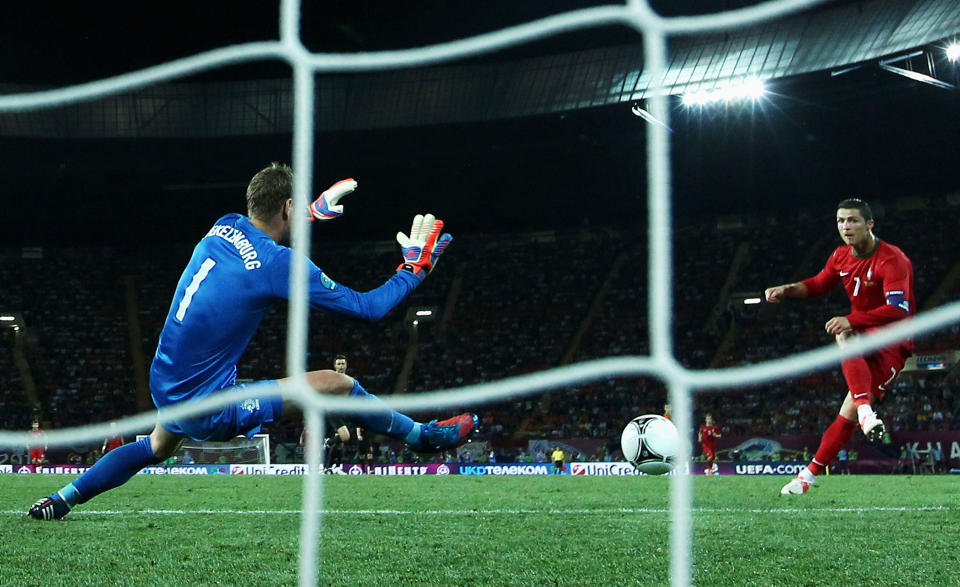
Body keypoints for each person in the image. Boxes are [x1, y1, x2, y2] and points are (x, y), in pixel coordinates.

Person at [29, 163, 478, 520]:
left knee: (157, 446)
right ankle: (421, 437)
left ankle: (62, 498)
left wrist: (314, 209)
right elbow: (368, 309)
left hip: (165, 379)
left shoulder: (222, 225)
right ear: (286, 207)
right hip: (209, 404)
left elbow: (265, 225)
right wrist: (414, 268)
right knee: (337, 384)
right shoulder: (278, 263)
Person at [766, 198, 914, 496]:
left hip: (892, 342)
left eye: (853, 220)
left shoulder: (892, 259)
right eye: (840, 221)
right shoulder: (840, 256)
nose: (846, 227)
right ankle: (807, 477)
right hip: (862, 335)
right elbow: (820, 283)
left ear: (870, 223)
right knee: (849, 409)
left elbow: (899, 308)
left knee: (844, 333)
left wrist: (851, 319)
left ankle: (862, 411)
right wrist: (789, 289)